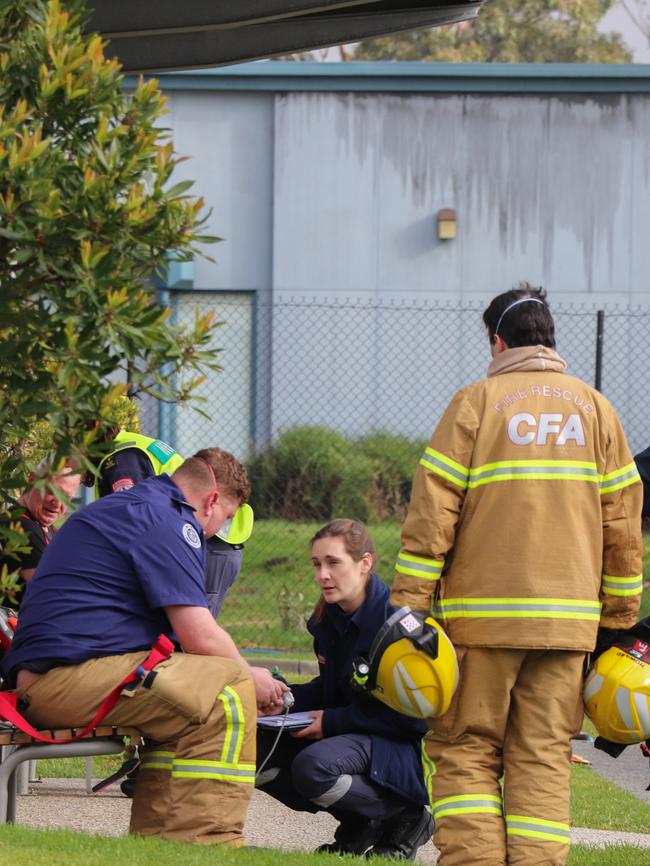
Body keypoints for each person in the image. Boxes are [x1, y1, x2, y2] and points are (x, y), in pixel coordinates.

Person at [391, 284, 643, 866]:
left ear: (497, 340)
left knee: (464, 749)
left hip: (479, 625)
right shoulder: (598, 410)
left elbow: (433, 515)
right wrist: (616, 622)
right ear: (550, 338)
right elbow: (624, 527)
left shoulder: (475, 403)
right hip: (568, 630)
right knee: (543, 756)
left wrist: (410, 605)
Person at [2, 448, 287, 846]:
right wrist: (252, 676)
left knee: (187, 709)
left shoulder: (139, 507)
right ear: (211, 501)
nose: (213, 533)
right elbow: (199, 634)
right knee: (228, 689)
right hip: (64, 681)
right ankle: (213, 844)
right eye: (223, 520)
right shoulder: (168, 520)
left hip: (54, 679)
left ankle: (157, 846)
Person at [256, 518, 433, 859]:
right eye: (317, 564)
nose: (322, 574)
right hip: (351, 733)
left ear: (365, 563)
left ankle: (406, 817)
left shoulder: (401, 625)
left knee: (313, 766)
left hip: (398, 747)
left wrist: (332, 723)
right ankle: (359, 822)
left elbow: (415, 720)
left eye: (333, 563)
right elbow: (331, 690)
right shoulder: (328, 619)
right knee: (255, 749)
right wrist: (284, 700)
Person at [88, 428, 247, 618]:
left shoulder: (120, 460)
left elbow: (132, 530)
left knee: (191, 633)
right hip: (194, 538)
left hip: (209, 541)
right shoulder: (131, 446)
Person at [0, 464, 81, 608]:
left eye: (66, 498)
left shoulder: (46, 529)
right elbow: (55, 596)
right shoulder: (20, 526)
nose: (57, 503)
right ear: (32, 480)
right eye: (52, 491)